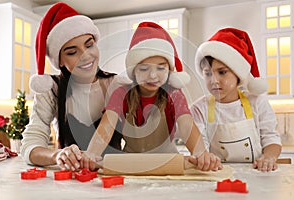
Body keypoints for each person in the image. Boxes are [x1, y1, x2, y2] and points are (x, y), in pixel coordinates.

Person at [87, 21, 222, 172]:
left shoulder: (174, 94)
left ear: (169, 70)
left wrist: (200, 153)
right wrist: (92, 153)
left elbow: (186, 126)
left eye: (160, 67)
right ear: (133, 71)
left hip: (168, 161)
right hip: (131, 163)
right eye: (144, 68)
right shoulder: (121, 93)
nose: (152, 75)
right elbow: (107, 126)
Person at [21, 2, 122, 171]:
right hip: (74, 182)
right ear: (60, 60)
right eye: (72, 52)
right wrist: (57, 155)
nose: (86, 56)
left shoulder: (116, 84)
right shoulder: (52, 90)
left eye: (89, 45)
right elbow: (30, 146)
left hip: (116, 177)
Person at [191, 27, 282, 172]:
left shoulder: (257, 102)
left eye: (222, 72)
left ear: (238, 73)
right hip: (217, 176)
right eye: (207, 74)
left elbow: (271, 139)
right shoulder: (199, 108)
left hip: (257, 174)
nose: (214, 80)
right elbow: (199, 146)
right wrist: (204, 158)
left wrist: (268, 157)